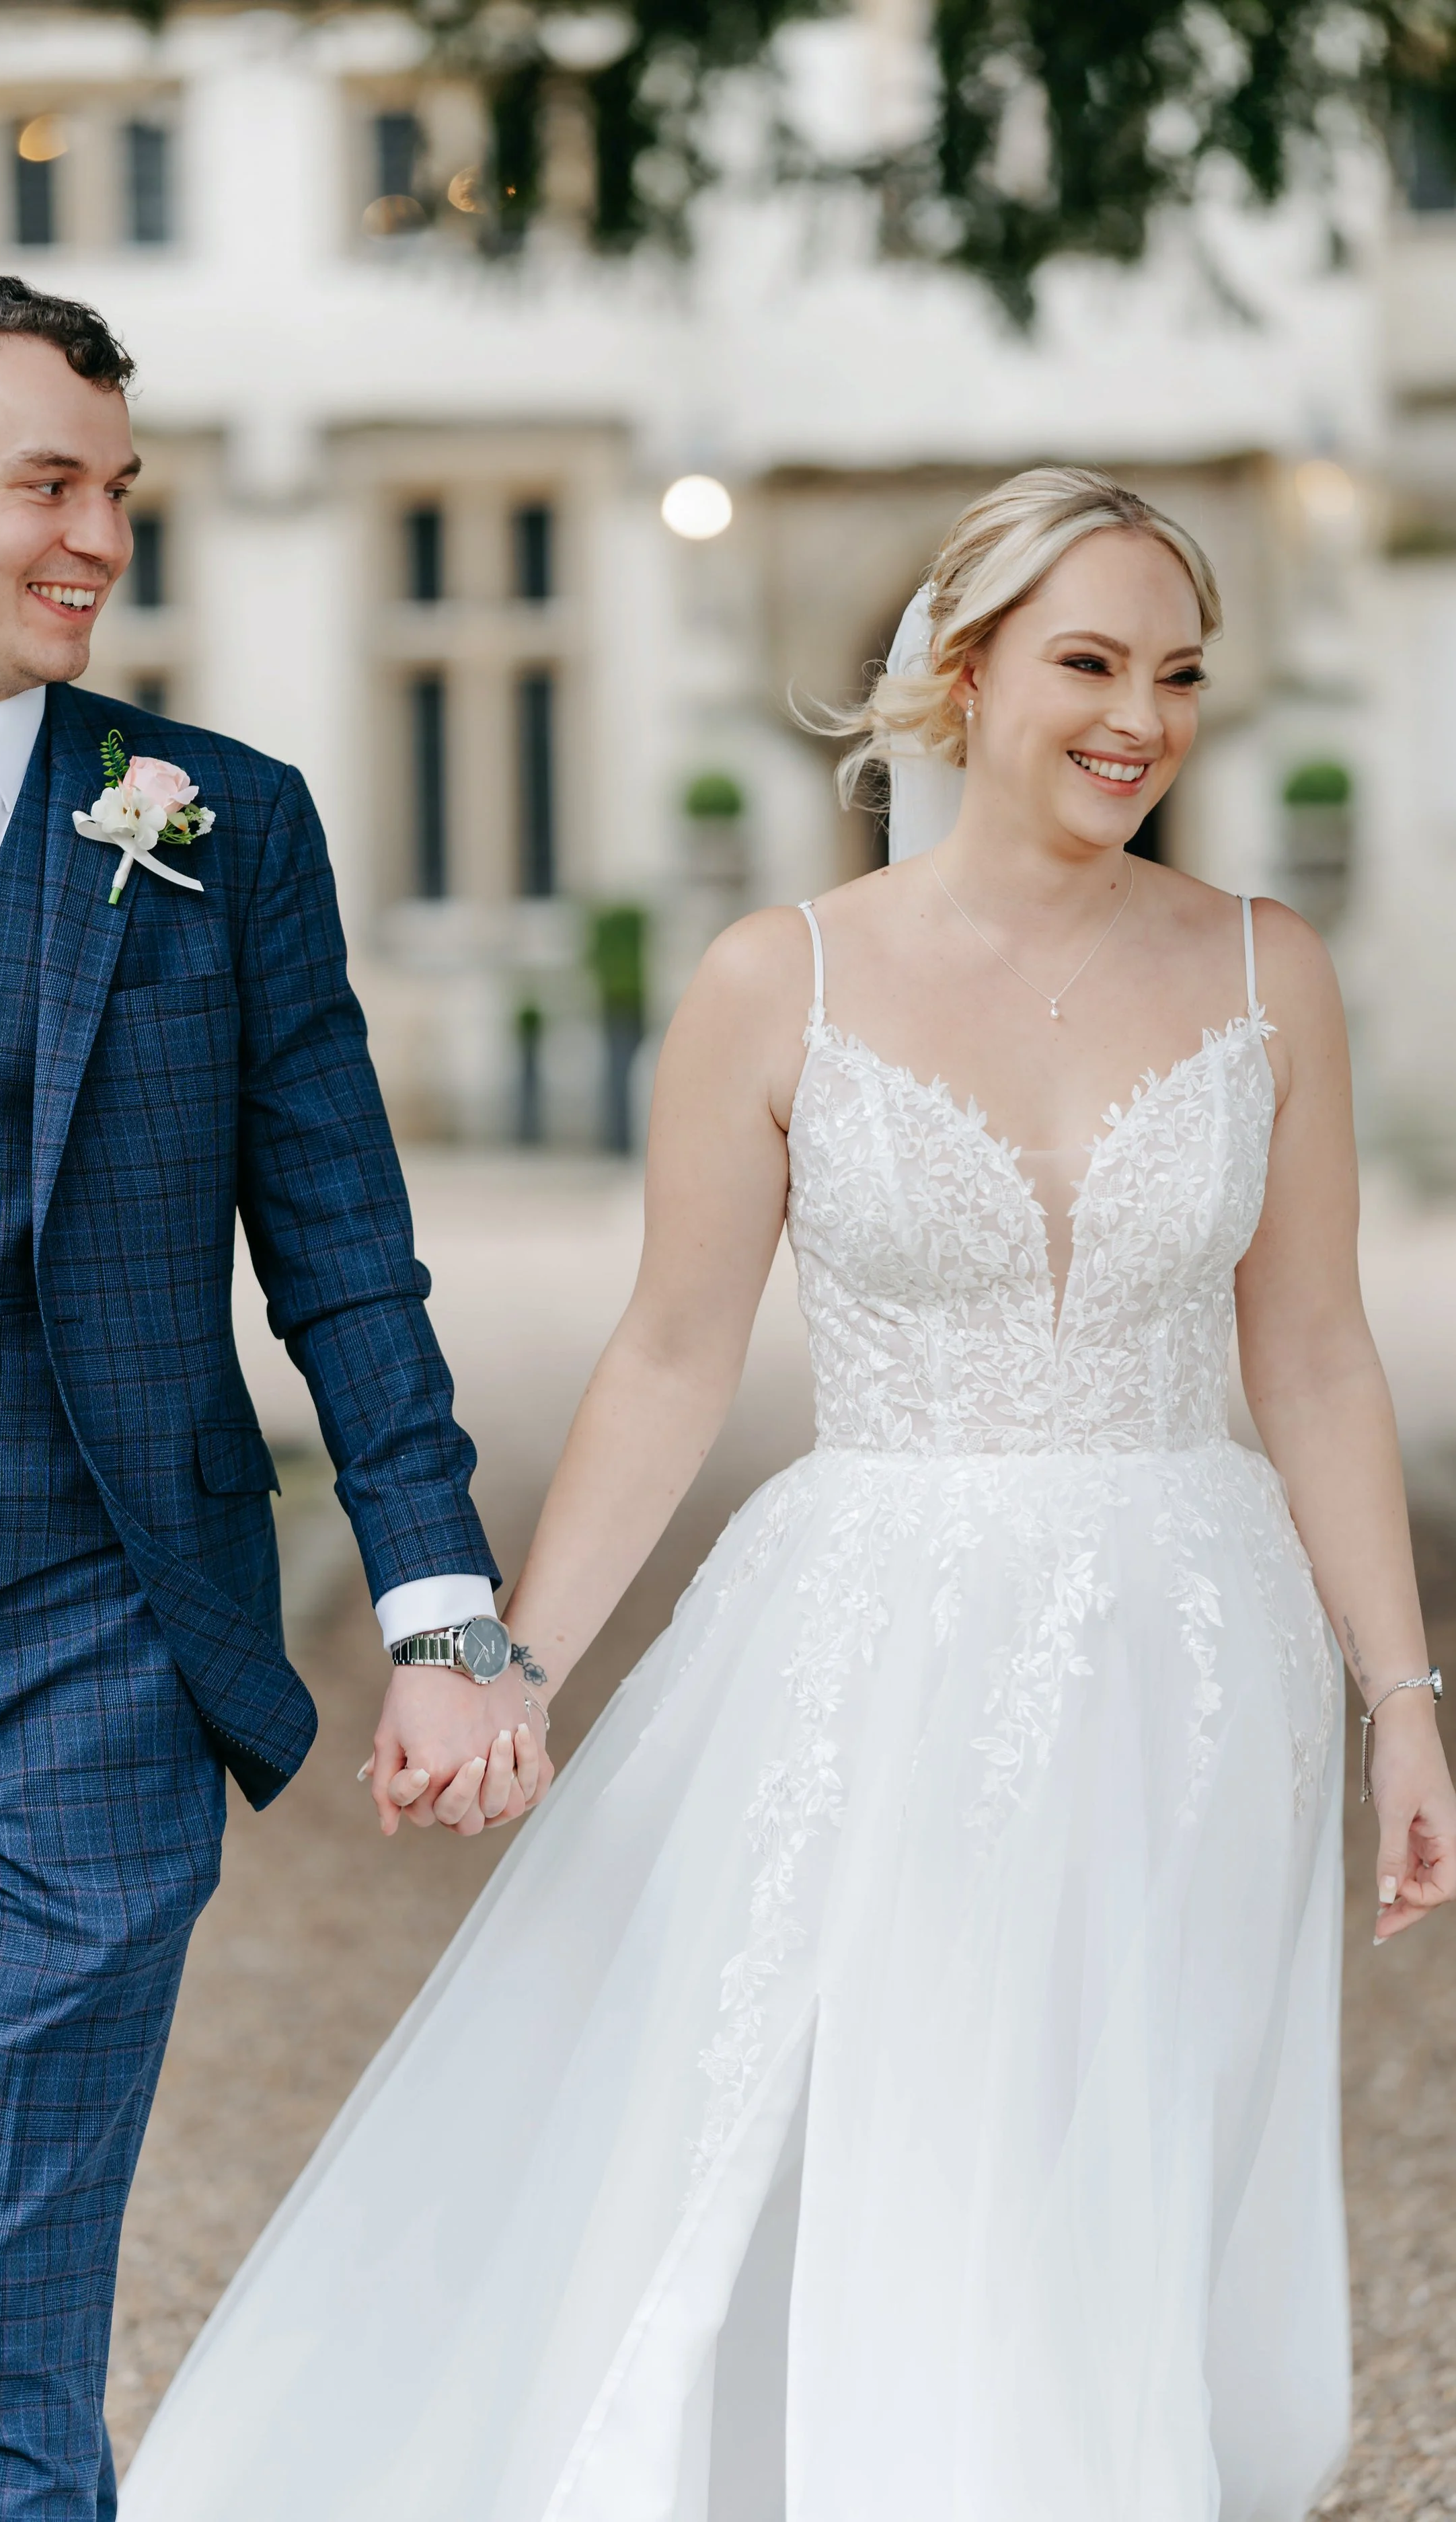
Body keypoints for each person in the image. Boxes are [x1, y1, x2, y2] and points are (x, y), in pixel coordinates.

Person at [121, 467, 1455, 2521]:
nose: (1140, 717)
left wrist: (1399, 1693)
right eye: (1087, 661)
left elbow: (1315, 1354)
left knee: (1117, 2122)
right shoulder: (782, 978)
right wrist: (509, 1659)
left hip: (1196, 1649)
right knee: (890, 2106)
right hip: (877, 1633)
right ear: (961, 668)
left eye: (1178, 671)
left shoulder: (1269, 969)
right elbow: (667, 1353)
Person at [0, 276, 537, 2521]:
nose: (103, 536)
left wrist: (438, 1608)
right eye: (51, 485)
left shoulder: (224, 829)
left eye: (123, 490)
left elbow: (342, 1249)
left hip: (94, 1653)